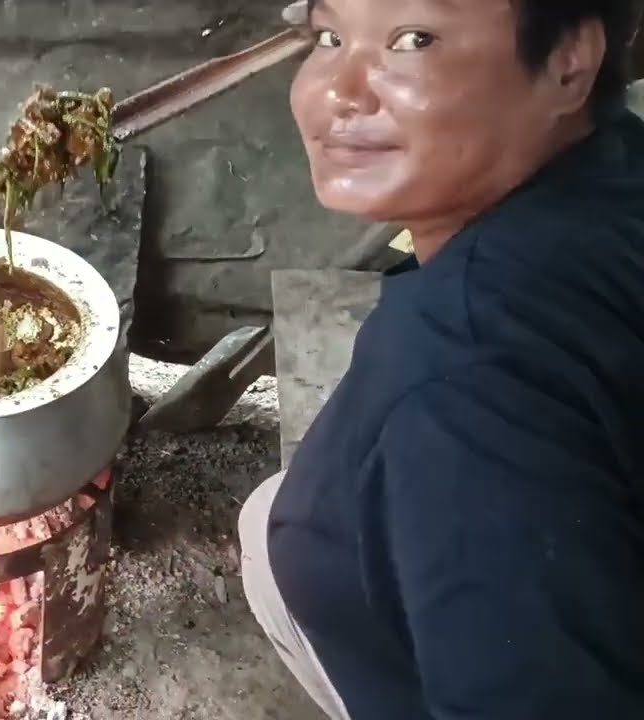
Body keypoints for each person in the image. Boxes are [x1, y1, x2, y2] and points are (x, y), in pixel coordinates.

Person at [238, 0, 644, 718]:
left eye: (412, 40)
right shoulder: (615, 164)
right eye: (330, 36)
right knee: (269, 514)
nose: (340, 90)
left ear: (568, 63)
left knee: (280, 535)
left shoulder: (461, 392)